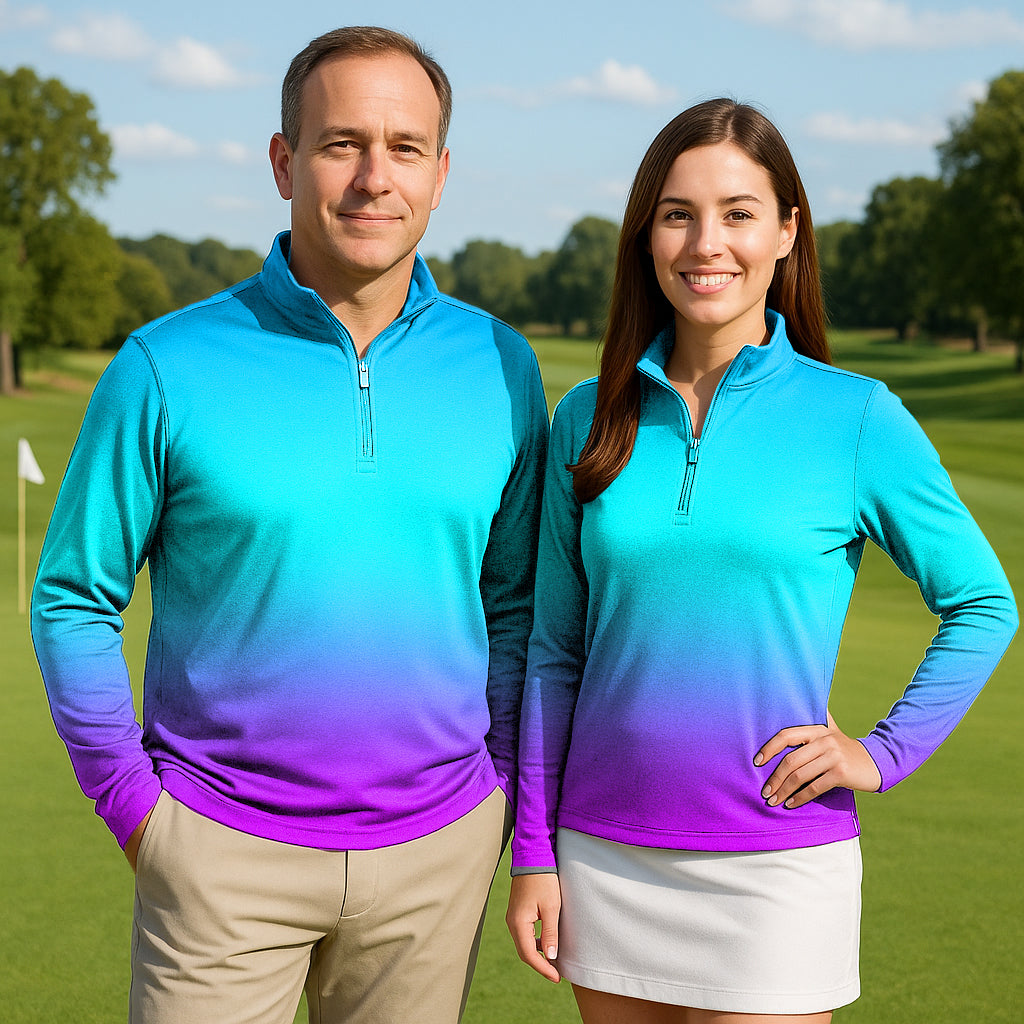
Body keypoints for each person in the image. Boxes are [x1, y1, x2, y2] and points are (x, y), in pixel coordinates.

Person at [32, 26, 548, 1024]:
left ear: (440, 175)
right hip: (216, 854)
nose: (371, 178)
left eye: (404, 149)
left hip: (433, 857)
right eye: (339, 142)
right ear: (284, 161)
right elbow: (72, 598)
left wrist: (492, 790)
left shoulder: (501, 365)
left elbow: (516, 601)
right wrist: (141, 817)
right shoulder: (164, 365)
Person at [505, 98, 1017, 1023]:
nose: (708, 243)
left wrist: (883, 753)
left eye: (739, 213)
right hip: (604, 853)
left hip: (777, 864)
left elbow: (984, 602)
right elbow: (554, 652)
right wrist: (536, 854)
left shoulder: (856, 417)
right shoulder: (585, 416)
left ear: (786, 232)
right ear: (646, 235)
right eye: (678, 213)